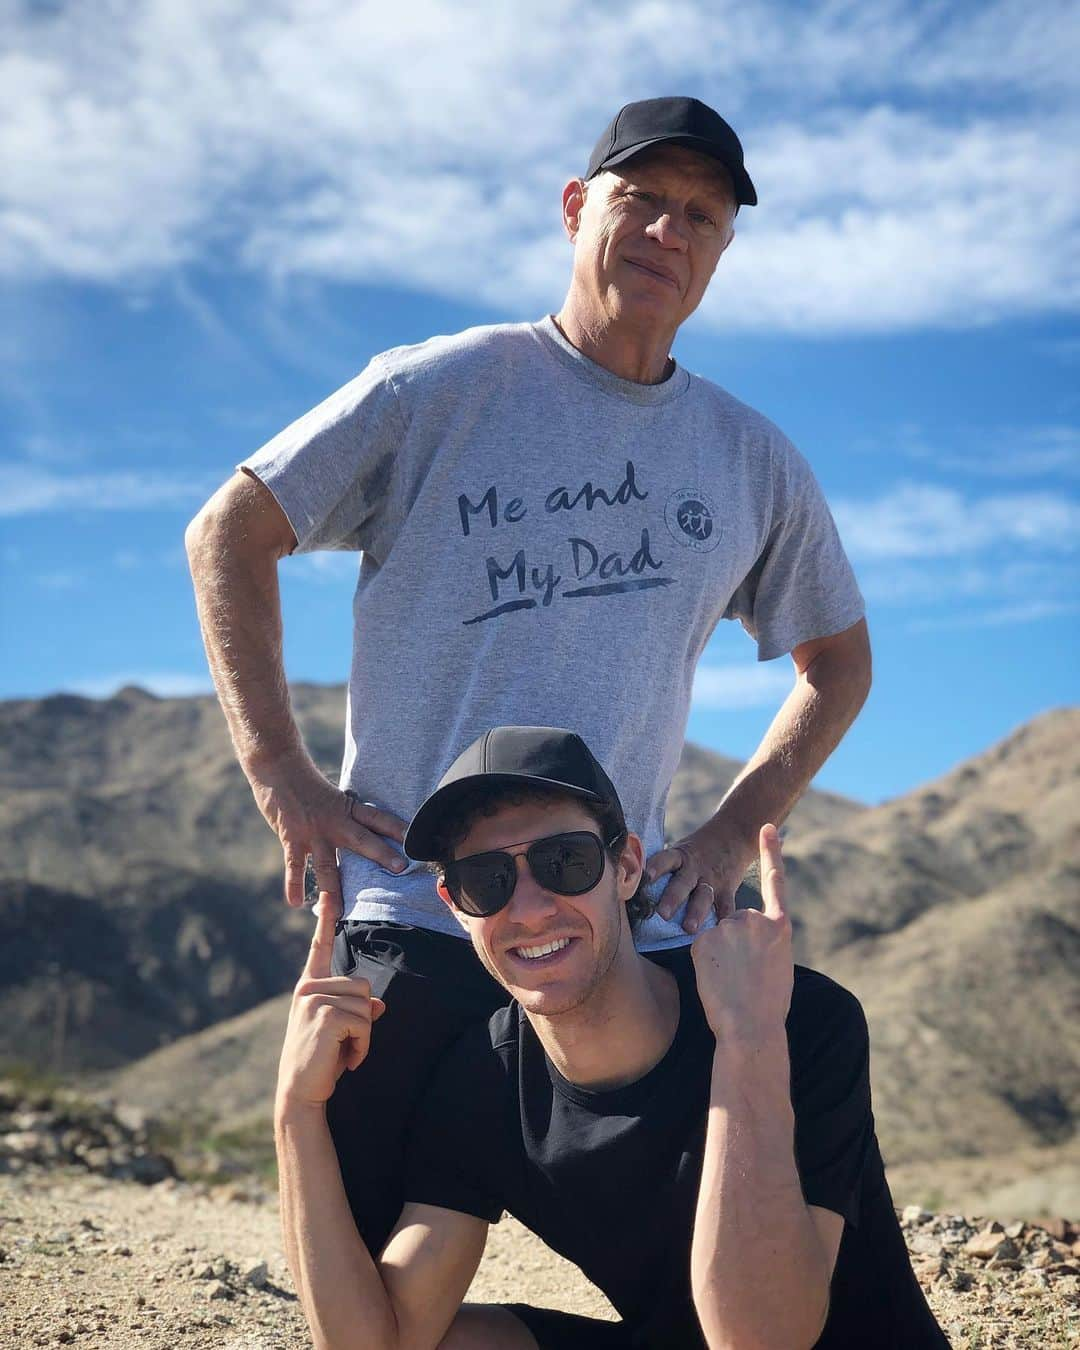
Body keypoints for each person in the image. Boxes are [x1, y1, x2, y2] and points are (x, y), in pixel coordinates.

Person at [186, 96, 872, 1252]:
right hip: (417, 907)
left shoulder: (752, 459)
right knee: (359, 1275)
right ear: (575, 209)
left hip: (611, 935)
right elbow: (230, 531)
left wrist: (725, 832)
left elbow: (837, 662)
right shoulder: (439, 387)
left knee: (727, 1227)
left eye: (699, 215)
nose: (668, 231)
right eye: (640, 199)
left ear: (722, 249)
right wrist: (279, 771)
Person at [275, 726, 950, 1350]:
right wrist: (297, 1112)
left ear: (626, 866)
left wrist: (747, 1044)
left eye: (564, 861)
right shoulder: (484, 1079)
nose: (532, 908)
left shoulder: (795, 1018)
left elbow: (762, 1341)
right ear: (455, 905)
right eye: (488, 880)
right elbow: (379, 1343)